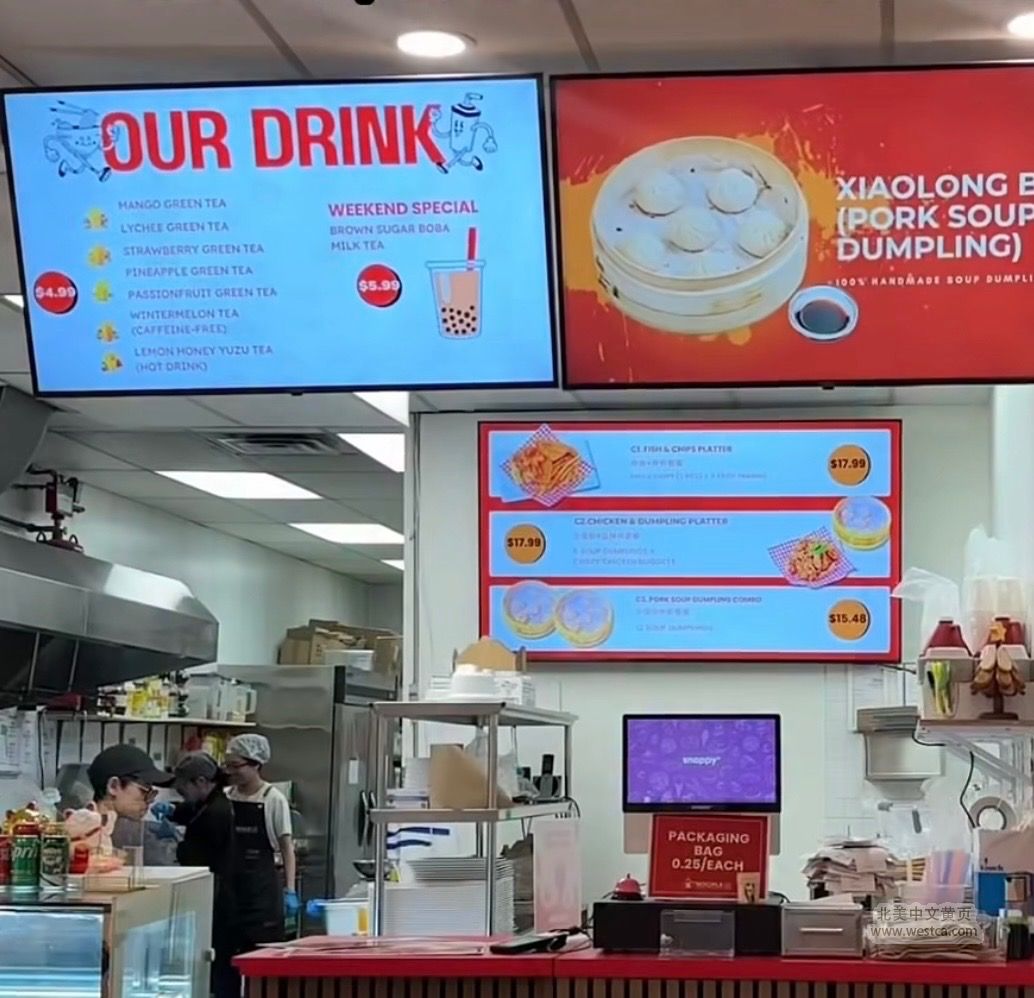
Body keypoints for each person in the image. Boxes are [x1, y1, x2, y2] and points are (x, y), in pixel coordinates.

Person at [157, 752, 238, 998]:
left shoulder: (217, 812)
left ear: (201, 782)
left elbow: (196, 855)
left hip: (217, 897)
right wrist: (172, 811)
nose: (180, 793)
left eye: (183, 788)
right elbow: (188, 810)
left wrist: (174, 843)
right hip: (211, 894)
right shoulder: (207, 803)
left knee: (216, 967)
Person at [223, 734, 297, 951]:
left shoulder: (273, 799)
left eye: (236, 766)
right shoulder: (226, 796)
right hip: (230, 891)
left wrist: (290, 890)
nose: (231, 771)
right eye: (228, 765)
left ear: (256, 764)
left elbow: (286, 848)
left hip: (262, 893)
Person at [87, 743, 173, 824]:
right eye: (144, 791)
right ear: (113, 786)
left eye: (152, 793)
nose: (150, 801)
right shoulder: (83, 832)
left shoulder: (129, 832)